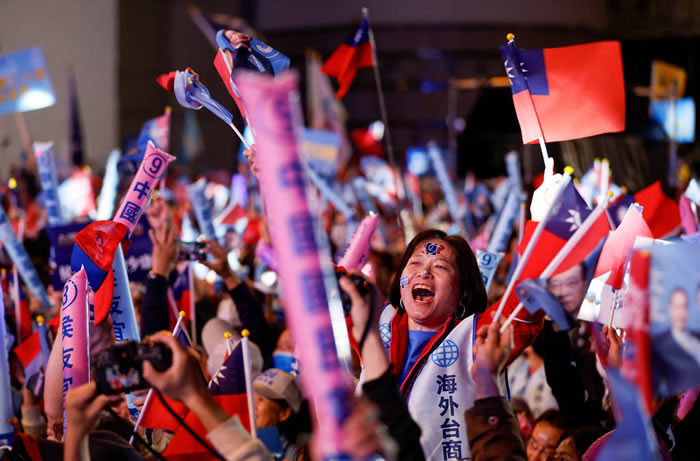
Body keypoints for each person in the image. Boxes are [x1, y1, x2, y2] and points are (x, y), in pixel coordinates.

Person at [363, 228, 536, 459]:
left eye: (440, 266)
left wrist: (545, 230)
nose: (424, 272)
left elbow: (526, 300)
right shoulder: (374, 318)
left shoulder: (477, 335)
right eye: (415, 262)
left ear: (462, 292)